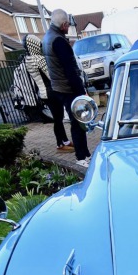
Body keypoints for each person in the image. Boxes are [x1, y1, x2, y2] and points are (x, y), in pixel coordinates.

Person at [42, 9, 91, 167]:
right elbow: (69, 70)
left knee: (76, 121)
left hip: (58, 87)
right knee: (78, 122)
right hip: (68, 88)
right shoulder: (59, 41)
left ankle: (85, 153)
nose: (68, 26)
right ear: (63, 24)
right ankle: (81, 157)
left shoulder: (47, 37)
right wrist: (81, 91)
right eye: (68, 24)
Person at [23, 34, 73, 152]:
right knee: (58, 119)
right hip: (51, 92)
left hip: (43, 93)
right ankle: (60, 144)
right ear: (34, 45)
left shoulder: (28, 60)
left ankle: (64, 141)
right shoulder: (39, 59)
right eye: (39, 44)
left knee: (58, 119)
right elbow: (52, 76)